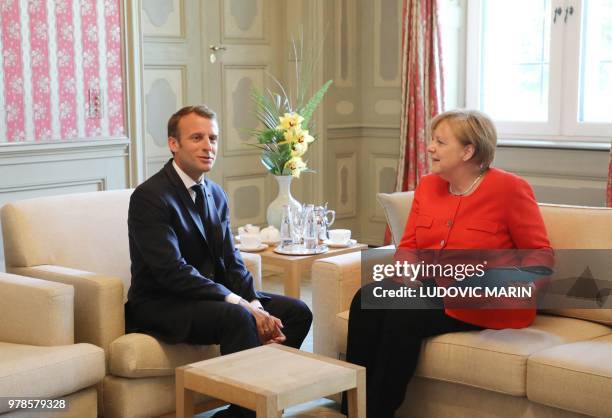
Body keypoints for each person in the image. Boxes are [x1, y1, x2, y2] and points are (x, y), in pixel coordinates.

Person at [343, 109, 553, 418]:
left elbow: (540, 257)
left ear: (469, 151)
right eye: (432, 140)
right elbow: (410, 244)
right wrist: (406, 269)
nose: (429, 147)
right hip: (432, 287)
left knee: (405, 314)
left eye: (440, 142)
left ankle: (377, 411)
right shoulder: (429, 186)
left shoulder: (510, 189)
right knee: (365, 299)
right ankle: (351, 407)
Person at [125, 105, 312, 418]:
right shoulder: (150, 196)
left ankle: (244, 410)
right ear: (174, 144)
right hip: (162, 303)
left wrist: (255, 302)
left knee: (297, 313)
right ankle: (250, 411)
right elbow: (172, 272)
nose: (207, 146)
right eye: (196, 137)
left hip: (208, 299)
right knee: (238, 317)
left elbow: (231, 260)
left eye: (212, 138)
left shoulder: (215, 193)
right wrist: (241, 304)